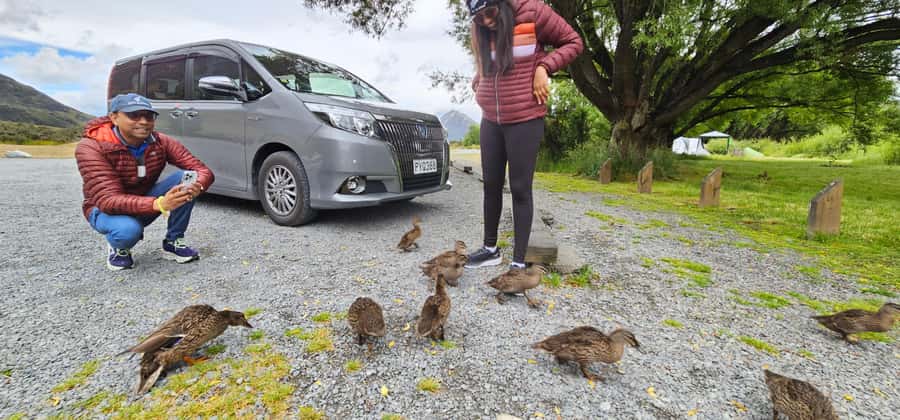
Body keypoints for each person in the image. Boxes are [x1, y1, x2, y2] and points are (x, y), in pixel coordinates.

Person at [463, 0, 583, 272]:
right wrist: (480, 75)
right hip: (491, 118)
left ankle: (518, 262)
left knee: (519, 188)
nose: (486, 22)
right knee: (491, 185)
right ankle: (490, 249)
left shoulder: (532, 12)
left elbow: (573, 42)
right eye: (478, 19)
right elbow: (498, 59)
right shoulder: (482, 27)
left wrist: (544, 67)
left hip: (525, 118)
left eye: (490, 14)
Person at [75, 93, 214, 271]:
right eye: (133, 115)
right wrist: (159, 203)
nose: (143, 121)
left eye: (148, 116)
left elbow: (202, 171)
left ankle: (173, 241)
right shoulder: (91, 147)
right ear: (114, 117)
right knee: (127, 231)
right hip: (104, 209)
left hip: (144, 201)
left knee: (186, 178)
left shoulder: (160, 141)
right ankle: (119, 248)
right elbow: (108, 200)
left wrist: (197, 186)